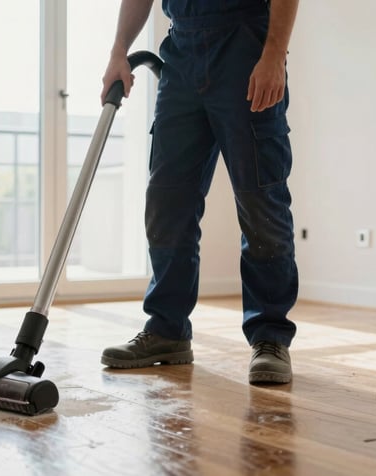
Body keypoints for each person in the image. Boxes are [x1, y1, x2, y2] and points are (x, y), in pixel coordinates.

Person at [100, 0, 300, 384]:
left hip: (245, 46)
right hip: (181, 53)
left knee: (261, 201)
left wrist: (274, 55)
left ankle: (270, 336)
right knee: (167, 202)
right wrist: (118, 52)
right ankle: (167, 330)